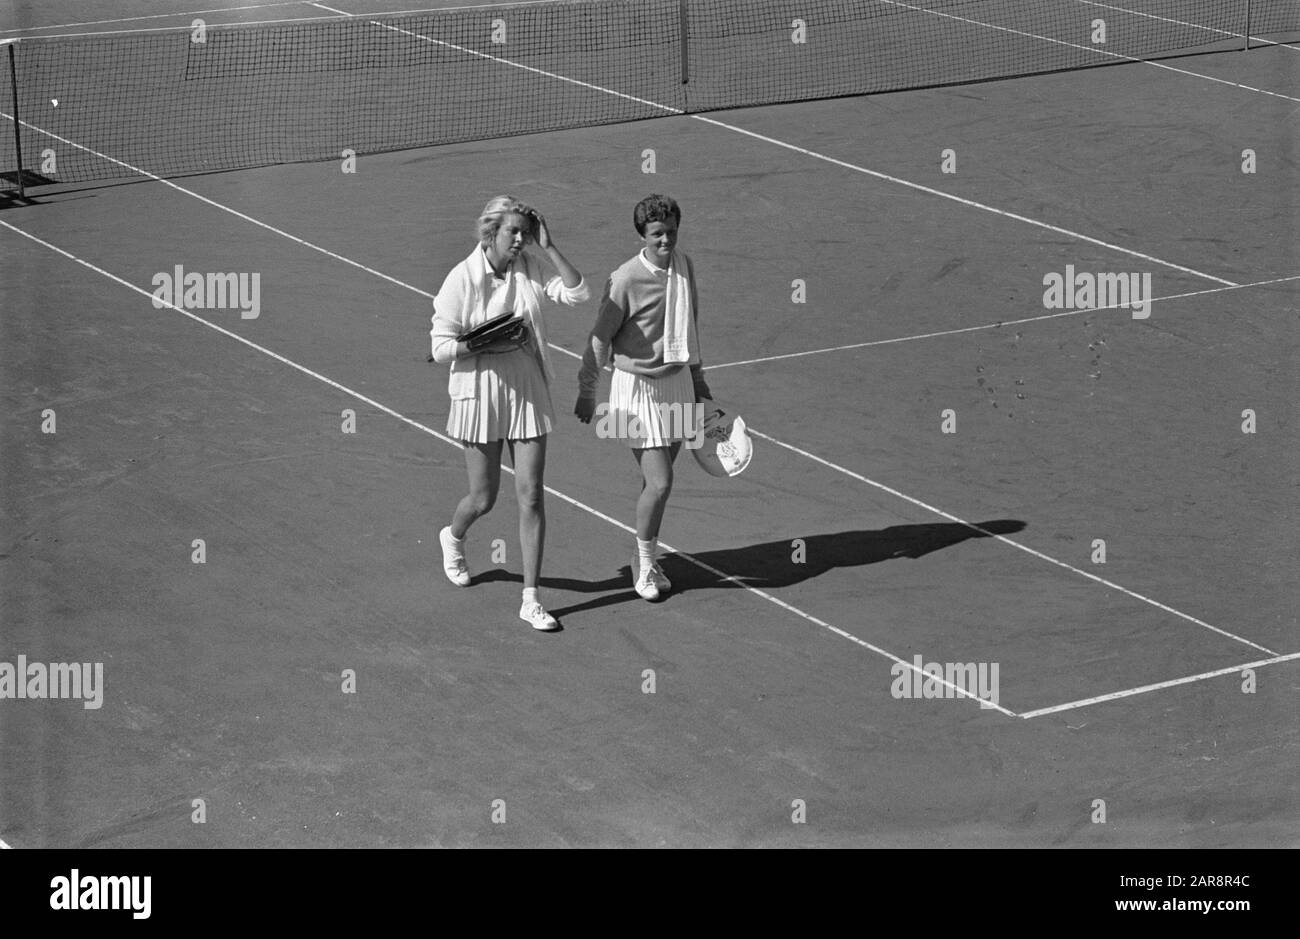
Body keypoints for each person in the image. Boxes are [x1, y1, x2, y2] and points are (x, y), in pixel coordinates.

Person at [431, 195, 589, 631]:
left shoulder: (531, 268)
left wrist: (549, 247)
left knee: (532, 496)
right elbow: (440, 348)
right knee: (484, 498)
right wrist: (483, 343)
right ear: (491, 232)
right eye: (512, 232)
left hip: (527, 393)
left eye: (525, 232)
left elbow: (578, 293)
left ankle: (531, 598)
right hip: (479, 395)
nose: (520, 240)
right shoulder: (461, 278)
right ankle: (453, 536)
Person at [575, 194, 713, 601]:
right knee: (661, 482)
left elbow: (690, 328)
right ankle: (647, 564)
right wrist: (587, 392)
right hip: (635, 391)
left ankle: (643, 556)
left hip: (677, 383)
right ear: (643, 234)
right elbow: (600, 339)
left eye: (671, 232)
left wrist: (699, 381)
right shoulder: (624, 280)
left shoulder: (685, 267)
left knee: (657, 483)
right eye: (657, 234)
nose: (666, 240)